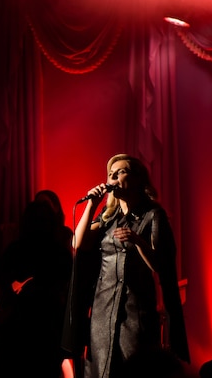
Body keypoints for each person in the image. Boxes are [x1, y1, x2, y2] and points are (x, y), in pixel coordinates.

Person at [67, 153, 190, 378]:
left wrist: (137, 240)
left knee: (133, 370)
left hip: (135, 313)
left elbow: (160, 266)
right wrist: (92, 205)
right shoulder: (107, 217)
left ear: (138, 179)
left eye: (121, 171)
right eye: (111, 173)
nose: (113, 176)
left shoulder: (153, 215)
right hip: (102, 313)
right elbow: (78, 242)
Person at [0, 198, 73, 378]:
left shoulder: (18, 249)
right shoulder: (57, 252)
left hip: (33, 329)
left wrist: (10, 301)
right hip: (41, 328)